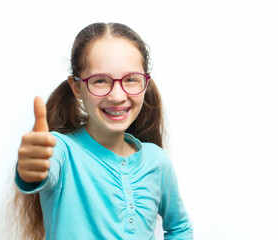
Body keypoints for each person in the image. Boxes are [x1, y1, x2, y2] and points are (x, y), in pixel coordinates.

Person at [14, 22, 193, 240]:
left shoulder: (157, 161)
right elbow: (41, 168)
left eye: (130, 80)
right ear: (76, 87)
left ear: (145, 84)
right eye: (100, 81)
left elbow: (180, 228)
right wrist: (31, 169)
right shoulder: (61, 150)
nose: (117, 96)